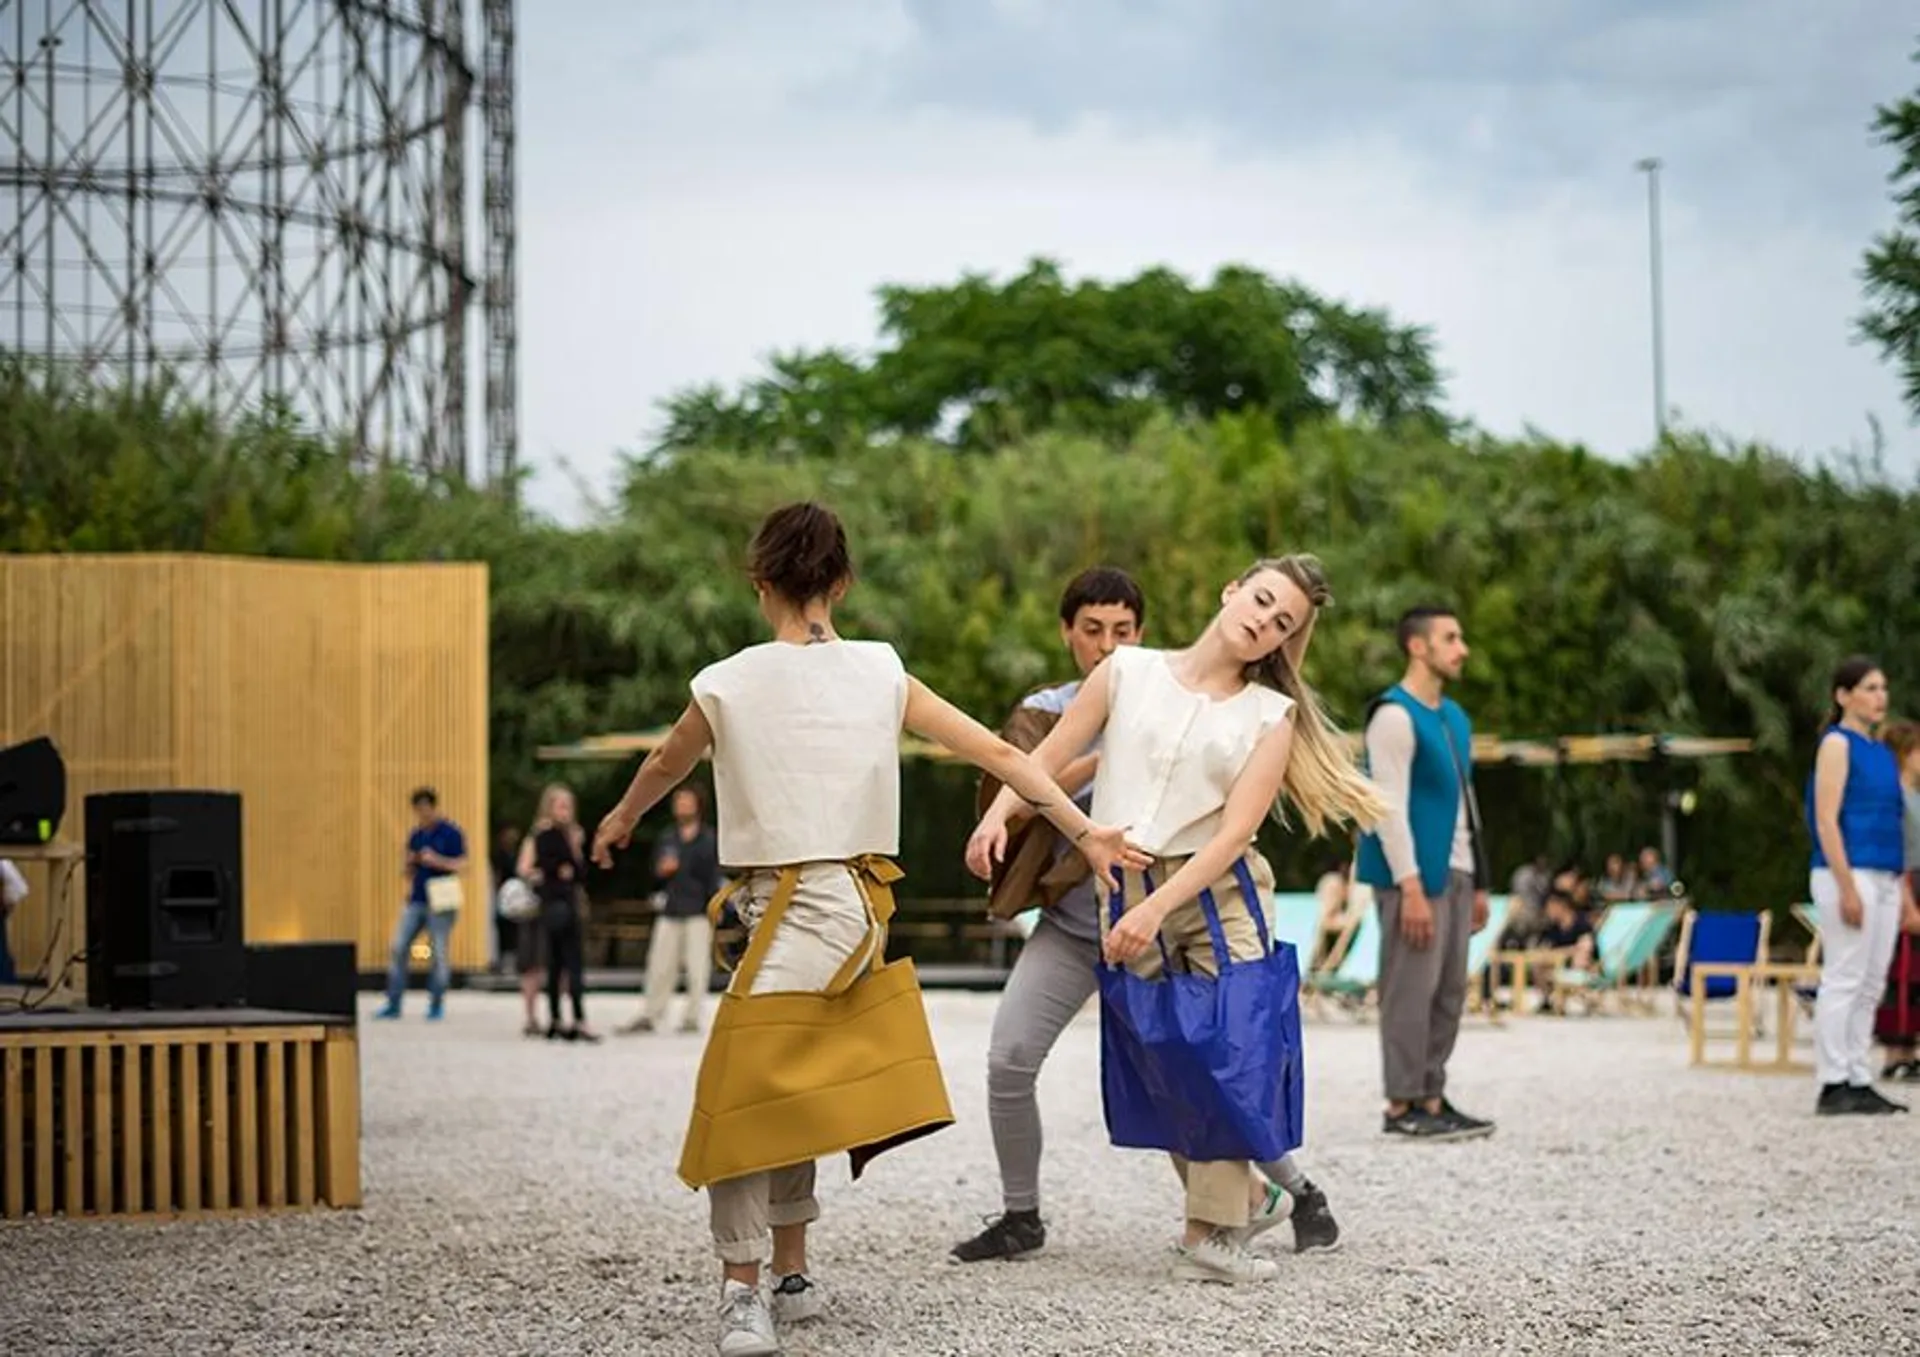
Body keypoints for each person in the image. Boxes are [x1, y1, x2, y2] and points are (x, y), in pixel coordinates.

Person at [588, 502, 1142, 1357]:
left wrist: (622, 819)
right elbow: (1003, 757)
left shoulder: (725, 679)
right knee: (795, 1083)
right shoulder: (882, 669)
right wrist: (1084, 827)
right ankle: (795, 1272)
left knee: (741, 1097)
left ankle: (744, 1289)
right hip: (859, 913)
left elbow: (667, 761)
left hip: (790, 910)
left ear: (760, 581)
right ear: (842, 582)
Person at [969, 554, 1383, 1285]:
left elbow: (1232, 834)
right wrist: (998, 816)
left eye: (1282, 621)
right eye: (1260, 600)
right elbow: (1050, 754)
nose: (1263, 620)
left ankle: (1212, 1232)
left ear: (1283, 640)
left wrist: (1158, 906)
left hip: (1216, 894)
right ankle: (1244, 1204)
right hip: (1119, 891)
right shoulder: (1129, 672)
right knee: (1166, 1057)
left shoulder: (1270, 715)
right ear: (1231, 591)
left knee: (1227, 1047)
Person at [1354, 606, 1496, 1142]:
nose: (1462, 649)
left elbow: (1467, 802)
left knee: (1449, 990)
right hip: (1411, 875)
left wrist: (1480, 880)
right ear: (1418, 646)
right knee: (1409, 990)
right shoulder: (1393, 716)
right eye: (1451, 638)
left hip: (1457, 869)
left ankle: (1432, 1095)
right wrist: (1409, 886)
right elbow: (1385, 806)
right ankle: (1401, 1104)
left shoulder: (1454, 717)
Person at [1807, 658, 1917, 1115]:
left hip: (1886, 874)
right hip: (1849, 872)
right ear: (1843, 695)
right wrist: (1846, 885)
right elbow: (1826, 818)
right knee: (1845, 976)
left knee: (1872, 981)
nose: (1880, 696)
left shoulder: (1879, 752)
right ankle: (1832, 1081)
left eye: (1883, 687)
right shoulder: (1837, 744)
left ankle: (1857, 1073)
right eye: (1870, 687)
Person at [621, 786, 723, 1035]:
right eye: (679, 802)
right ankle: (651, 1013)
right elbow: (654, 874)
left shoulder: (709, 839)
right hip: (671, 907)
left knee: (697, 967)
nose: (682, 806)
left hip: (698, 909)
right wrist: (661, 871)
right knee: (659, 965)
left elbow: (714, 876)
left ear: (698, 805)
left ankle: (691, 1017)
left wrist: (715, 907)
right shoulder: (668, 837)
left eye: (686, 802)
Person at [375, 788, 467, 1021]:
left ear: (434, 807)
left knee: (438, 952)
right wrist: (409, 864)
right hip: (417, 899)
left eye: (426, 809)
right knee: (398, 947)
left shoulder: (451, 832)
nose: (423, 814)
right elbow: (409, 870)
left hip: (441, 900)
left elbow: (461, 864)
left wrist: (437, 860)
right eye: (419, 810)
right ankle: (393, 1002)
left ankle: (436, 1003)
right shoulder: (416, 835)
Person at [519, 784, 599, 1042]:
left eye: (568, 806)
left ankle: (560, 1018)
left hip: (563, 903)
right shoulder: (545, 835)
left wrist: (571, 856)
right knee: (563, 963)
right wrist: (562, 867)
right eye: (561, 806)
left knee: (561, 964)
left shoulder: (570, 836)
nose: (566, 811)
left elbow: (577, 871)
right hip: (555, 905)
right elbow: (555, 868)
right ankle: (569, 1018)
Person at [1878, 720, 1920, 1081]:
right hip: (1904, 879)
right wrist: (1906, 900)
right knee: (1900, 971)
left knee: (1916, 972)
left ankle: (1911, 1048)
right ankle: (1895, 1051)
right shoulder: (1893, 796)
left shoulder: (1915, 794)